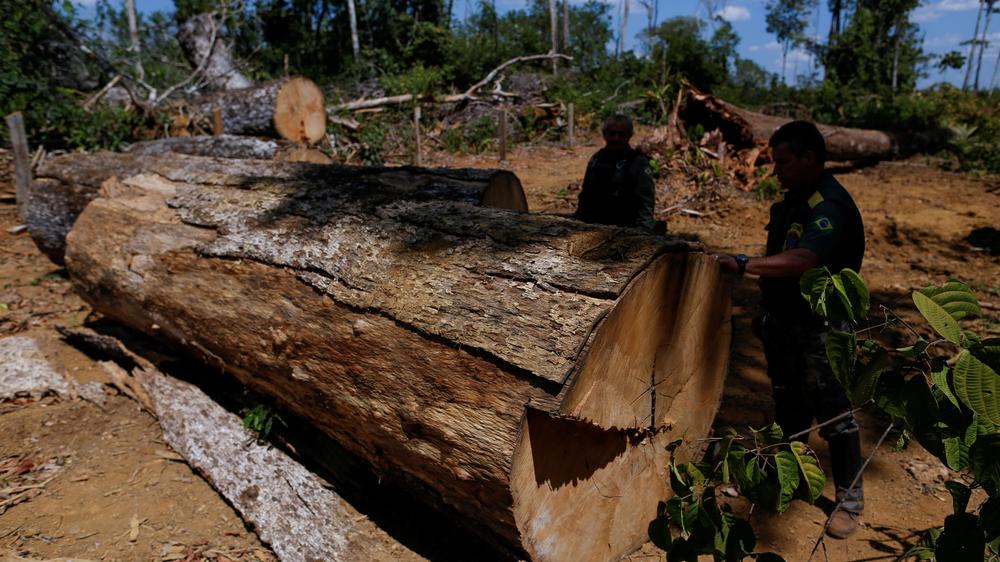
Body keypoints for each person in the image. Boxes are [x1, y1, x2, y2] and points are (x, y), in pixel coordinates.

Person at [714, 121, 866, 539]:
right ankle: (794, 479)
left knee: (834, 415)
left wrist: (744, 264)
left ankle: (849, 503)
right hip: (784, 322)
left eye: (783, 161)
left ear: (809, 158)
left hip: (821, 329)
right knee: (790, 407)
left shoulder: (829, 205)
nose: (775, 170)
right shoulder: (793, 202)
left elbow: (803, 259)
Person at [574, 114, 657, 230]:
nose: (616, 138)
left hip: (625, 228)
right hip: (595, 227)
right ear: (604, 134)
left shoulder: (637, 162)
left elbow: (645, 202)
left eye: (621, 134)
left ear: (629, 135)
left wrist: (644, 232)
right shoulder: (597, 159)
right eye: (612, 133)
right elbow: (586, 195)